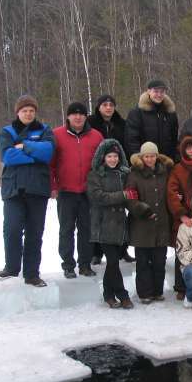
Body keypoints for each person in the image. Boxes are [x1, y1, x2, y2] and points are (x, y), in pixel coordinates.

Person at [0, 95, 55, 287]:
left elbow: (48, 152)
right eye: (24, 111)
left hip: (37, 189)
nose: (28, 114)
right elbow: (8, 156)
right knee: (12, 229)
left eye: (31, 110)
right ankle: (11, 268)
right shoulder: (7, 132)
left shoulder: (45, 130)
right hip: (13, 189)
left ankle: (31, 274)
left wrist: (25, 146)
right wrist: (34, 156)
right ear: (17, 112)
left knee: (34, 232)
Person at [50, 101, 103, 279]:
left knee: (86, 229)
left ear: (86, 116)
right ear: (68, 117)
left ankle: (85, 264)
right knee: (66, 229)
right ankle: (68, 264)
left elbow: (102, 163)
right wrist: (54, 186)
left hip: (88, 191)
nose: (78, 117)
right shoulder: (57, 135)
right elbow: (50, 163)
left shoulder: (96, 136)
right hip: (66, 190)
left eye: (81, 114)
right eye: (74, 114)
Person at [86, 138, 134, 308]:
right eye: (109, 157)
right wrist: (123, 195)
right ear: (103, 158)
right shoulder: (95, 174)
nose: (113, 159)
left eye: (115, 156)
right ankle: (123, 295)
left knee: (113, 263)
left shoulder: (124, 173)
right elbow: (98, 197)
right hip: (103, 224)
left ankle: (108, 294)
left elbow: (133, 193)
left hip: (120, 225)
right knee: (113, 261)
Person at [87, 93, 135, 264]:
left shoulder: (121, 124)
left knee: (120, 213)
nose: (108, 108)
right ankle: (96, 252)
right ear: (98, 107)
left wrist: (126, 166)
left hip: (118, 168)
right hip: (100, 171)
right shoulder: (90, 123)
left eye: (111, 105)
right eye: (105, 105)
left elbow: (127, 144)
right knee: (100, 214)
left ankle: (123, 249)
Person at [125, 142, 173, 303]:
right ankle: (145, 293)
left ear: (157, 156)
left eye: (152, 156)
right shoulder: (134, 174)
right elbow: (130, 198)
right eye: (147, 156)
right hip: (142, 225)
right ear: (142, 157)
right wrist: (143, 210)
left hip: (162, 223)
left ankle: (158, 291)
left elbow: (171, 191)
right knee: (143, 262)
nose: (150, 159)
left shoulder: (165, 172)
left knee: (160, 260)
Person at [167, 136, 192, 300]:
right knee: (182, 253)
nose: (191, 150)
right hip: (184, 219)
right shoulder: (178, 169)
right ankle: (181, 287)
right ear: (183, 151)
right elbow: (171, 193)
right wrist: (182, 214)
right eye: (188, 148)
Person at [126, 79, 179, 163]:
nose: (159, 94)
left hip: (166, 162)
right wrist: (138, 160)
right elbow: (132, 140)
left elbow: (174, 139)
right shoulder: (136, 113)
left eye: (162, 92)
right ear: (148, 91)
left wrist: (173, 159)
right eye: (156, 91)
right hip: (145, 163)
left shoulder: (170, 113)